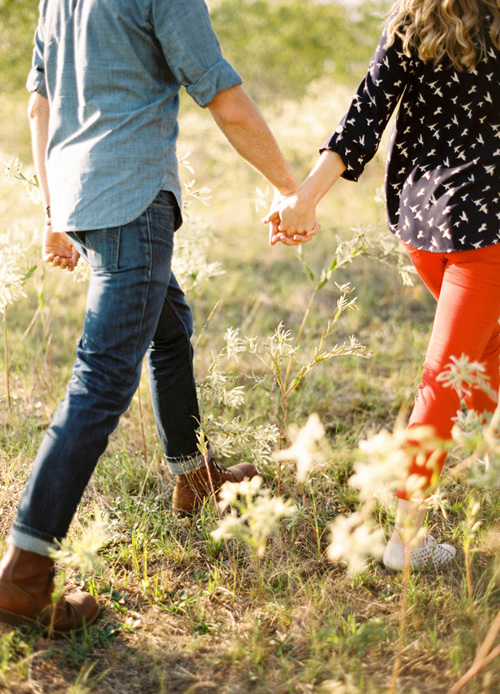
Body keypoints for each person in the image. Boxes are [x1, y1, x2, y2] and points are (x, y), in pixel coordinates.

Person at [0, 0, 319, 635]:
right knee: (101, 382)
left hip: (85, 198)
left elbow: (40, 104)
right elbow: (221, 93)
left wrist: (53, 210)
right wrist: (292, 190)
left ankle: (193, 475)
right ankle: (24, 574)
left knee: (169, 331)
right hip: (132, 203)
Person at [265, 0, 500, 570]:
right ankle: (405, 539)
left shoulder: (411, 22)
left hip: (425, 227)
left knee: (481, 364)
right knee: (450, 378)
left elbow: (362, 119)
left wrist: (304, 199)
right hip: (487, 229)